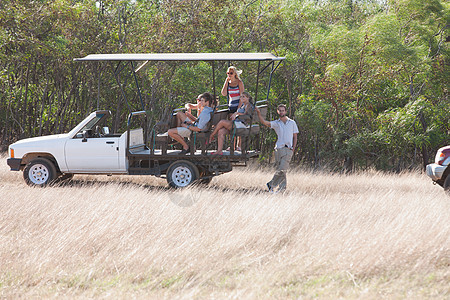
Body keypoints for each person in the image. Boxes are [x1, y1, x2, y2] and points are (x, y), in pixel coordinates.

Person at [256, 104, 298, 192]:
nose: (281, 112)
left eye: (283, 110)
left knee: (282, 169)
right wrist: (259, 113)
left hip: (288, 149)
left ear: (286, 111)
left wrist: (293, 149)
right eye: (280, 110)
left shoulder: (292, 122)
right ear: (277, 111)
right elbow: (265, 122)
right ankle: (282, 189)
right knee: (282, 170)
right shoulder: (276, 123)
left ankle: (271, 184)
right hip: (279, 149)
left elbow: (295, 136)